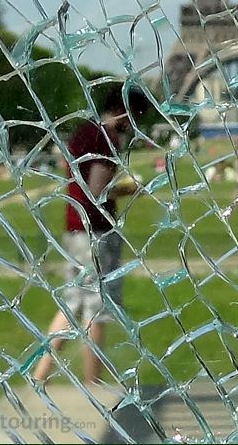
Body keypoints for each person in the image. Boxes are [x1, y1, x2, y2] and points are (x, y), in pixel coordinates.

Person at [33, 84, 148, 386]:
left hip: (74, 228)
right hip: (95, 233)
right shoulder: (104, 138)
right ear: (124, 111)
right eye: (135, 116)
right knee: (97, 308)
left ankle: (39, 375)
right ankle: (92, 384)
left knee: (72, 303)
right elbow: (97, 190)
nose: (134, 125)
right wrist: (132, 188)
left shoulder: (83, 132)